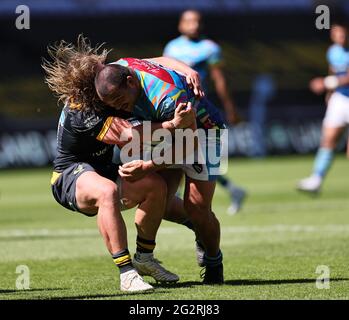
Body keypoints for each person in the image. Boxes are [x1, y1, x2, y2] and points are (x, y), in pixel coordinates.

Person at [42, 37, 198, 292]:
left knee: (154, 186)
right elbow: (127, 135)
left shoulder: (110, 93)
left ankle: (145, 258)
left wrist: (186, 70)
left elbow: (150, 63)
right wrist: (172, 125)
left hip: (105, 170)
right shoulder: (82, 107)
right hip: (70, 176)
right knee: (107, 191)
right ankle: (127, 274)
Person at [94, 57, 226, 284]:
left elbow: (189, 144)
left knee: (197, 208)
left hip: (205, 132)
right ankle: (198, 230)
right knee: (161, 203)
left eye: (118, 99)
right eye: (110, 102)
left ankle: (214, 261)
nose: (116, 106)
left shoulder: (167, 97)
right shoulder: (121, 66)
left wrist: (147, 166)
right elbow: (158, 59)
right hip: (168, 129)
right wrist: (187, 70)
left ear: (131, 83)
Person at [163, 9, 247, 215]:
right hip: (174, 109)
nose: (194, 25)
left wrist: (230, 107)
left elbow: (220, 80)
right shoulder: (171, 47)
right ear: (181, 25)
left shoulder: (210, 48)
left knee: (188, 155)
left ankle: (176, 199)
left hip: (199, 109)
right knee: (188, 156)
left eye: (197, 21)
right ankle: (233, 190)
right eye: (189, 21)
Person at [297, 23, 349, 194]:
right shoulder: (333, 52)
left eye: (342, 33)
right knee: (328, 139)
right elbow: (334, 72)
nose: (340, 37)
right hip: (340, 99)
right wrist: (330, 93)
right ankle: (316, 180)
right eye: (336, 33)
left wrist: (326, 83)